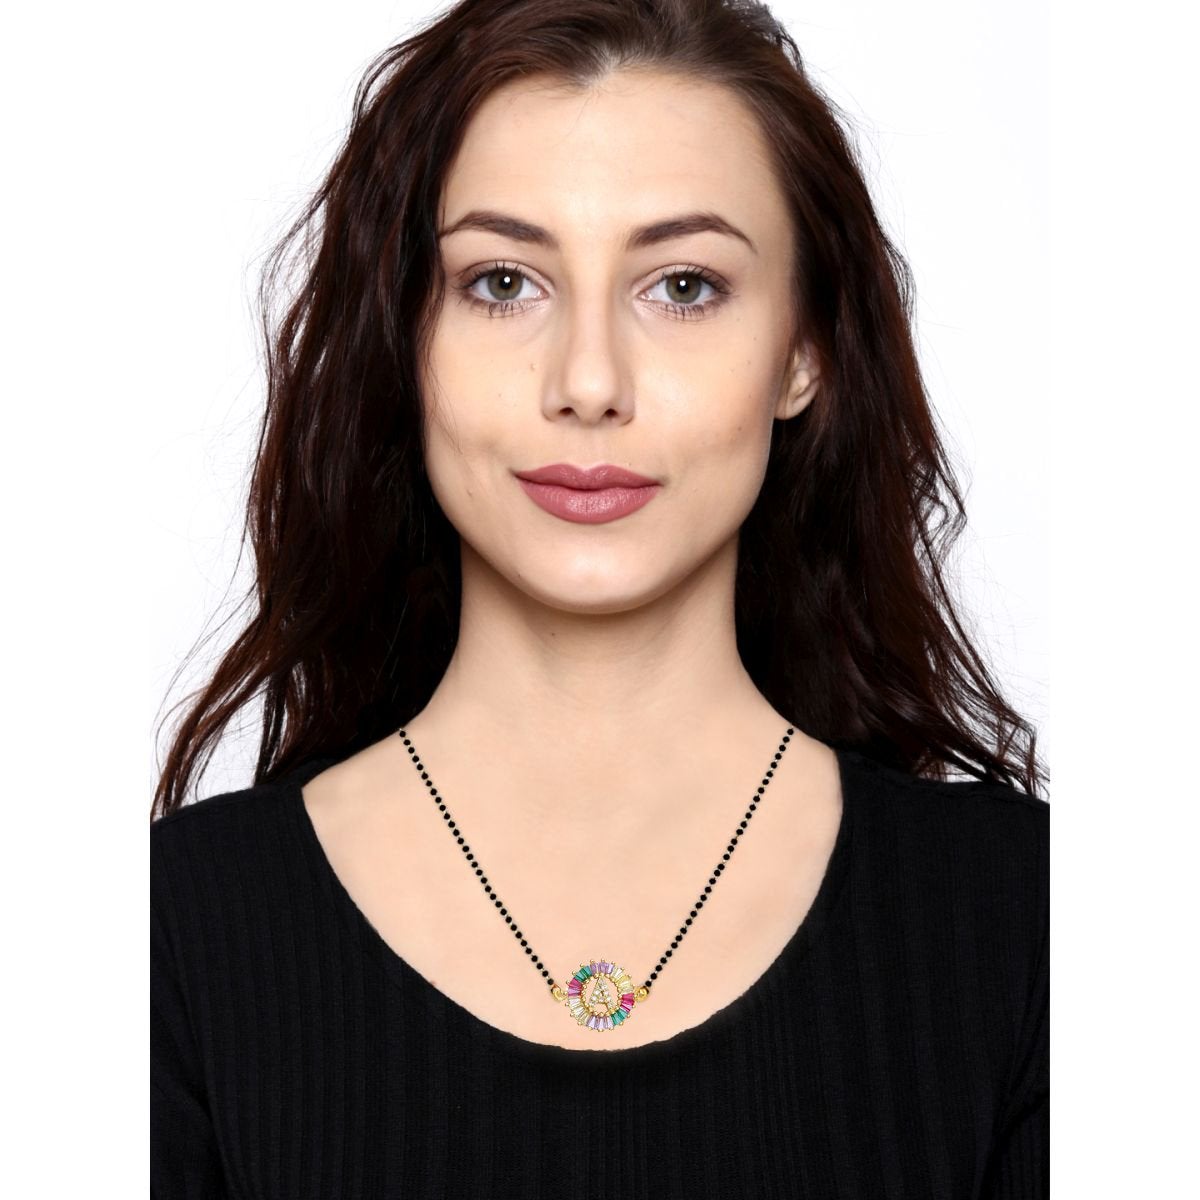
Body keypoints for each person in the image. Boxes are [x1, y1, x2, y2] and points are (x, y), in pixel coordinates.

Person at [150, 0, 1048, 1195]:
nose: (587, 381)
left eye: (682, 286)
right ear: (407, 340)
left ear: (805, 352)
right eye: (503, 282)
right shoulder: (170, 939)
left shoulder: (1029, 924)